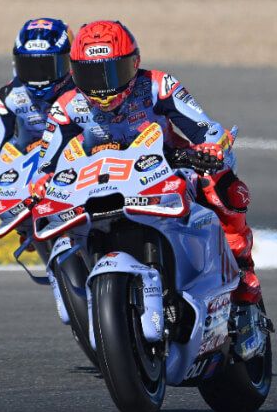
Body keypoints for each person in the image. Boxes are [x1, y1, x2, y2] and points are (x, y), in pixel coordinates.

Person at [35, 20, 263, 353]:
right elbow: (47, 164)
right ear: (74, 72)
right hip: (97, 183)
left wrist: (210, 148)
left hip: (165, 169)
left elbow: (206, 128)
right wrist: (39, 185)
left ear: (135, 62)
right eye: (91, 75)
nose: (103, 87)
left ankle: (244, 281)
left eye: (112, 73)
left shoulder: (158, 85)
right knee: (53, 217)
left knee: (222, 185)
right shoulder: (66, 106)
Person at [0, 17, 75, 216]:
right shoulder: (6, 98)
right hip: (28, 172)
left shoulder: (84, 92)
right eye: (30, 67)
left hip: (74, 164)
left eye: (48, 67)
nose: (39, 77)